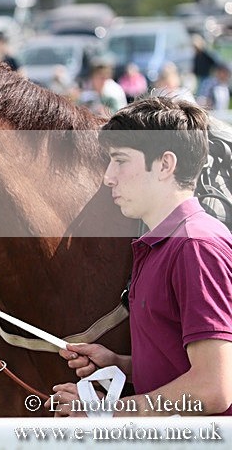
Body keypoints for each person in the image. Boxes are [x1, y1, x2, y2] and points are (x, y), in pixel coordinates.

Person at [47, 96, 232, 417]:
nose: (108, 177)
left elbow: (213, 390)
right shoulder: (161, 244)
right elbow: (181, 362)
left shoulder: (196, 246)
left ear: (165, 165)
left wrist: (104, 411)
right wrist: (121, 364)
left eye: (120, 160)